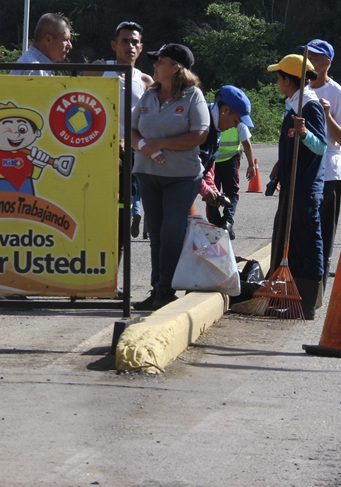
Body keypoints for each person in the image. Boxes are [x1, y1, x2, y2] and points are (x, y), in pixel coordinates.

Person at [130, 43, 209, 311]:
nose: (154, 65)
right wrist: (144, 147)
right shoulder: (149, 95)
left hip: (182, 176)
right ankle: (159, 289)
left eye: (160, 61)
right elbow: (131, 129)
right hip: (147, 173)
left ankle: (167, 288)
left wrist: (160, 144)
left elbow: (199, 134)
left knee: (171, 230)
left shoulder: (192, 96)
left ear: (175, 68)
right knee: (156, 232)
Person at [267, 53, 327, 319]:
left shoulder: (309, 106)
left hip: (305, 186)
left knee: (306, 241)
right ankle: (284, 294)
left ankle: (308, 301)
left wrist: (305, 133)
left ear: (289, 81)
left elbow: (320, 146)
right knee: (285, 237)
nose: (277, 83)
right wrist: (281, 165)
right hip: (291, 185)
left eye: (279, 77)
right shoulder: (292, 103)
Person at [305, 39, 341, 289]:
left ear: (327, 63)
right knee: (301, 228)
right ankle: (300, 280)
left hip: (328, 171)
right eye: (306, 56)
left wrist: (326, 116)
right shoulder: (299, 90)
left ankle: (319, 286)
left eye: (314, 58)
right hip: (303, 170)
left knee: (323, 231)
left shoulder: (337, 93)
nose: (309, 62)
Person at [99, 21, 154, 237]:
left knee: (129, 191)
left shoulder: (145, 80)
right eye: (124, 41)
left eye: (134, 42)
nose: (129, 46)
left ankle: (133, 212)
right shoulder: (100, 71)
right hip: (103, 147)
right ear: (114, 45)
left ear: (141, 47)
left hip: (133, 149)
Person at [205, 115, 256, 241]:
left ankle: (216, 225)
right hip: (230, 162)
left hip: (211, 161)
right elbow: (246, 143)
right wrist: (251, 165)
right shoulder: (237, 119)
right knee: (232, 193)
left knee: (211, 193)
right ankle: (227, 222)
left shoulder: (212, 118)